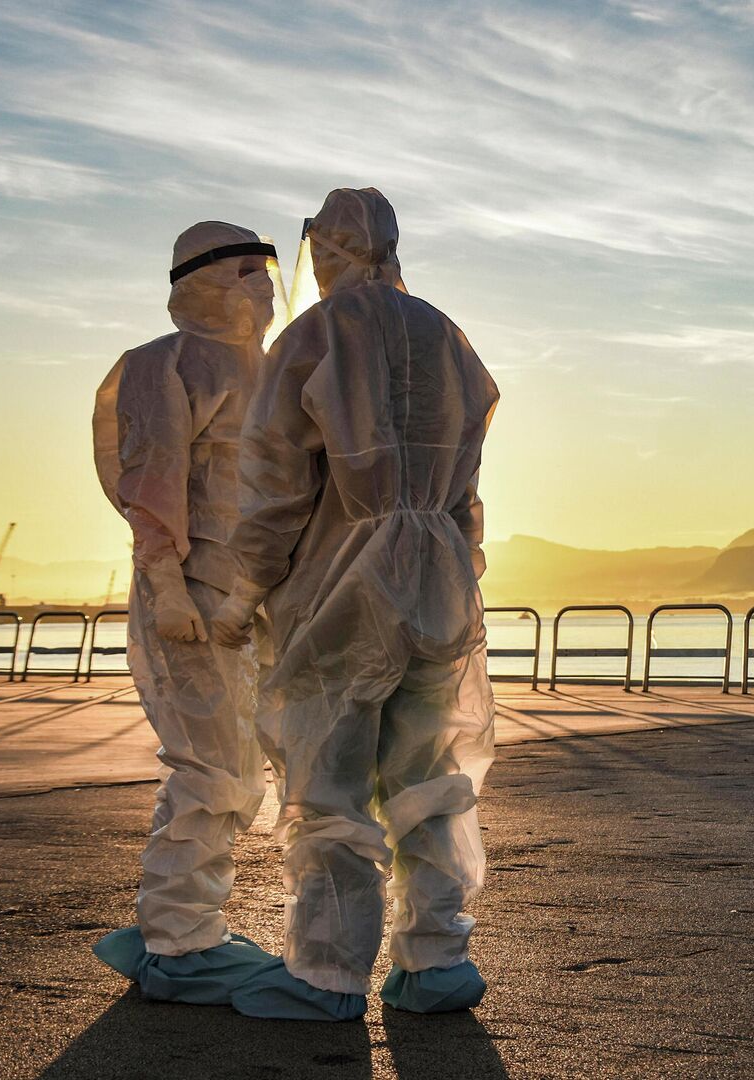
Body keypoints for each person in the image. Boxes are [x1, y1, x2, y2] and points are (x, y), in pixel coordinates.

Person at [212, 188, 500, 1021]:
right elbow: (469, 481)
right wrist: (461, 560)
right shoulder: (447, 335)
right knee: (429, 767)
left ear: (327, 248)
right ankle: (437, 960)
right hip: (440, 577)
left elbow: (272, 485)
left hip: (341, 586)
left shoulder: (315, 334)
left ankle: (328, 972)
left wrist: (243, 589)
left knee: (329, 775)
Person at [88, 221, 279, 1003]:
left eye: (267, 270)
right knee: (211, 769)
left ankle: (184, 924)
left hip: (252, 599)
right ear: (201, 281)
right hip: (192, 596)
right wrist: (166, 584)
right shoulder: (158, 365)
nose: (263, 287)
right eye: (245, 272)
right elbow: (151, 476)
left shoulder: (272, 370)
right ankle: (177, 943)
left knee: (242, 769)